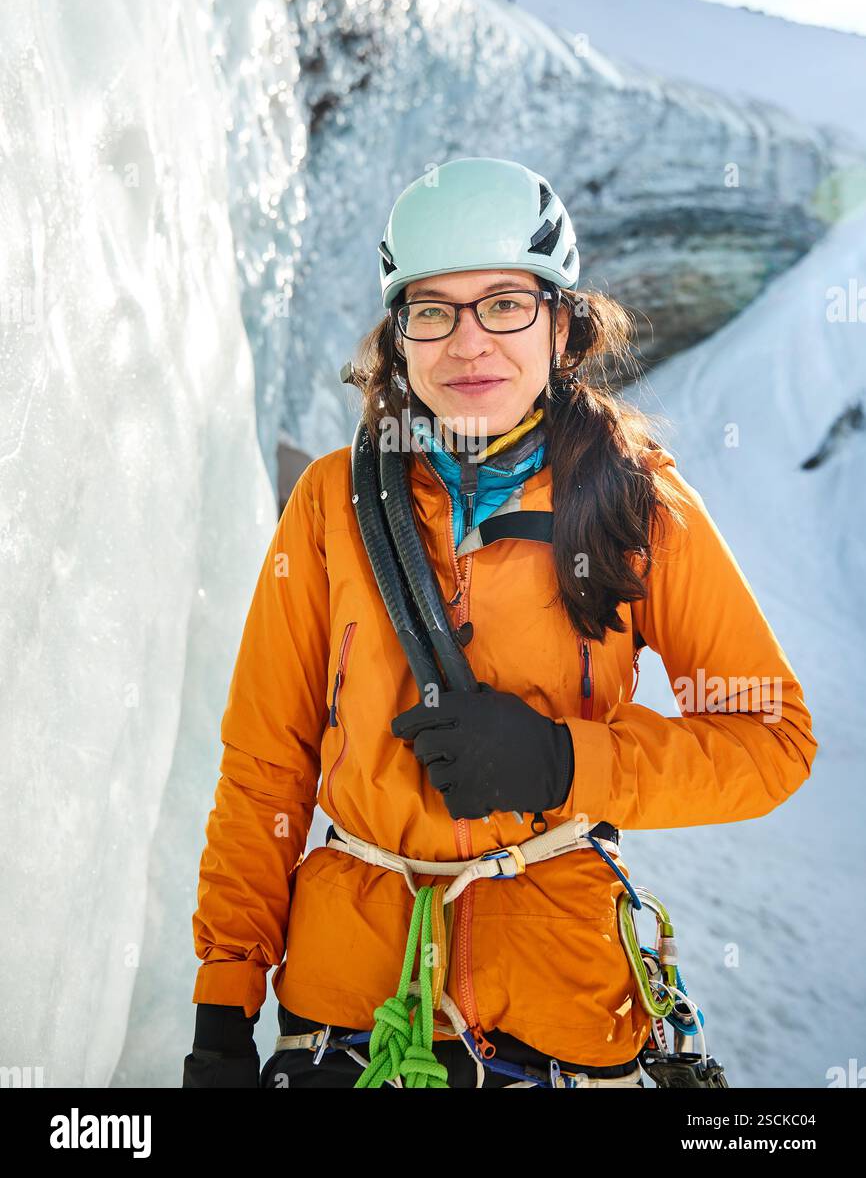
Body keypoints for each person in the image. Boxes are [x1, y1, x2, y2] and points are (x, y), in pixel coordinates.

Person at [183, 157, 817, 1089]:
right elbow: (266, 766)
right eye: (431, 310)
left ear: (562, 325)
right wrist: (222, 1011)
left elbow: (773, 741)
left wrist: (563, 763)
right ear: (399, 339)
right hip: (347, 1016)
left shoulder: (638, 506)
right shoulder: (330, 504)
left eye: (506, 304)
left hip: (562, 1004)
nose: (468, 341)